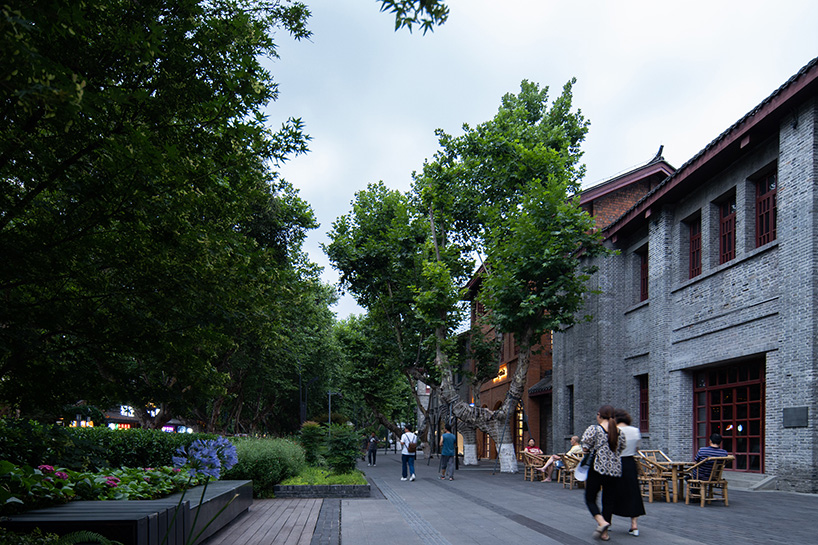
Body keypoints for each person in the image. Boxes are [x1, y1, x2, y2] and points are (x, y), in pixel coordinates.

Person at [582, 404, 626, 542]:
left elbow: (585, 447)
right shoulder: (619, 433)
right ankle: (605, 533)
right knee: (608, 501)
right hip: (615, 471)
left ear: (599, 415)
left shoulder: (594, 429)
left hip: (597, 468)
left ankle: (601, 522)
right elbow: (621, 449)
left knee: (590, 498)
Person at [612, 409, 645, 537]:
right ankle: (634, 525)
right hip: (630, 463)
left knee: (611, 491)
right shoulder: (635, 430)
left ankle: (607, 522)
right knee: (633, 492)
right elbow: (637, 448)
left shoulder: (613, 431)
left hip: (615, 463)